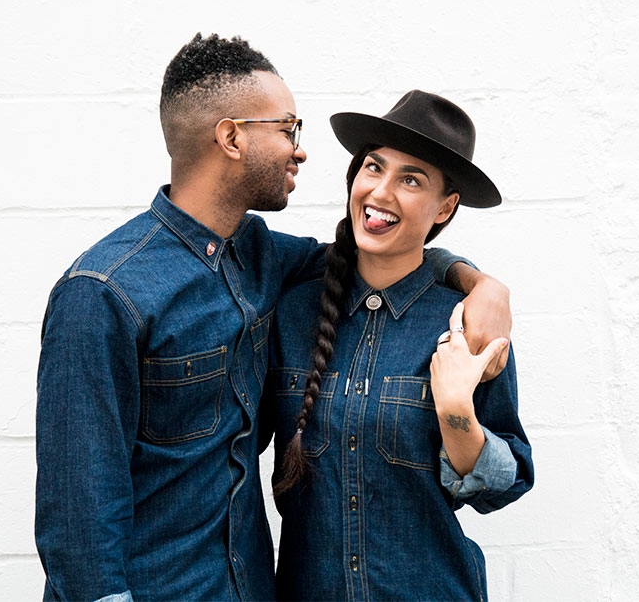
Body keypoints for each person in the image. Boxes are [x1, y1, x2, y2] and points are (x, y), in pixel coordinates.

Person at [34, 35, 513, 602]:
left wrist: (479, 282)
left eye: (411, 178)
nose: (300, 149)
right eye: (288, 129)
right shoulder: (104, 292)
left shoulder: (262, 255)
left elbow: (371, 259)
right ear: (232, 137)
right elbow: (76, 517)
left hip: (252, 586)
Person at [266, 90, 534, 601]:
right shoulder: (293, 309)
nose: (382, 192)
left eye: (411, 179)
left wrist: (456, 410)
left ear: (445, 207)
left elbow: (507, 483)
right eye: (374, 167)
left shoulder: (466, 323)